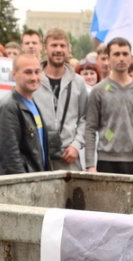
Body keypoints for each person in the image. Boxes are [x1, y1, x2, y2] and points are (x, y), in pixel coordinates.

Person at [84, 37, 133, 177]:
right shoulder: (98, 90)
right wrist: (90, 165)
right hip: (107, 160)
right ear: (108, 58)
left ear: (131, 57)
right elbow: (90, 129)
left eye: (125, 54)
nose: (121, 58)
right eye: (116, 54)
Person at [35, 29, 88, 171]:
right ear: (45, 48)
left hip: (68, 159)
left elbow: (85, 119)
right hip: (38, 158)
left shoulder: (78, 82)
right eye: (54, 45)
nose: (58, 50)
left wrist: (76, 145)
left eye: (62, 46)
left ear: (69, 49)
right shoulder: (34, 80)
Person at [0, 53, 50, 175]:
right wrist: (24, 184)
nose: (34, 77)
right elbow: (10, 157)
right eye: (28, 72)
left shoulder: (33, 103)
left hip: (39, 180)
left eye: (37, 72)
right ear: (14, 75)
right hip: (25, 183)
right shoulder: (9, 107)